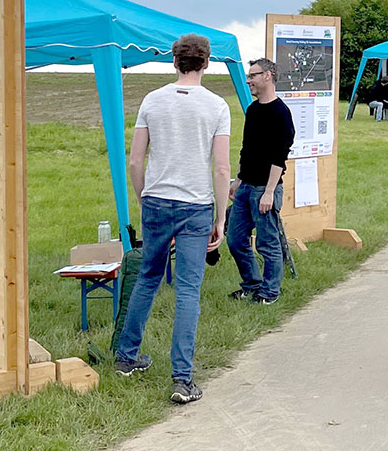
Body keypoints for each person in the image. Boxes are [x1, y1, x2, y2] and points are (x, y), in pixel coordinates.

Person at [115, 34, 232, 404]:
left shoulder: (153, 100)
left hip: (156, 201)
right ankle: (182, 379)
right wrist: (221, 217)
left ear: (174, 61)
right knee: (187, 290)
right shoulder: (216, 106)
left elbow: (135, 161)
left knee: (147, 279)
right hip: (195, 205)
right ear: (207, 63)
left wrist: (143, 197)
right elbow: (222, 167)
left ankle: (126, 357)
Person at [226, 57, 296, 307]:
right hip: (246, 187)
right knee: (234, 239)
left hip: (265, 189)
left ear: (268, 76)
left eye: (253, 75)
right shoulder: (253, 110)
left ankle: (270, 292)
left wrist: (268, 192)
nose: (248, 80)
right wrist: (238, 180)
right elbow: (248, 149)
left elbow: (280, 156)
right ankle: (252, 285)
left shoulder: (281, 113)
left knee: (267, 244)